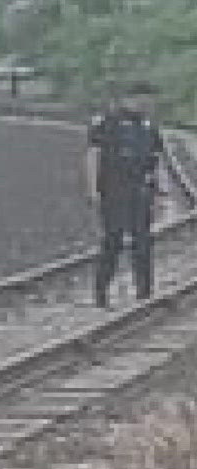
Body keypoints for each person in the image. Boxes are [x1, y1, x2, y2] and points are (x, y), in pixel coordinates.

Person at [86, 80, 166, 307]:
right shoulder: (108, 123)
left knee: (143, 241)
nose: (148, 103)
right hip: (114, 190)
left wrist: (159, 191)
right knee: (113, 240)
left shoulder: (149, 127)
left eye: (150, 99)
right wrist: (93, 189)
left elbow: (156, 159)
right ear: (130, 98)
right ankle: (101, 293)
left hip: (141, 191)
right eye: (144, 98)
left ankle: (144, 292)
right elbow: (94, 155)